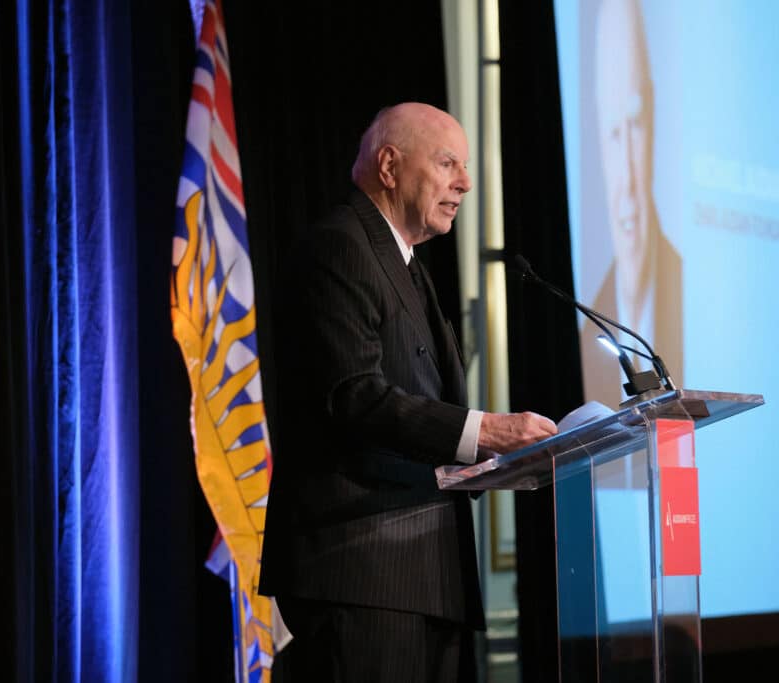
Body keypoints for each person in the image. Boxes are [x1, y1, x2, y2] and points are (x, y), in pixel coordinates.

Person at [259, 102, 557, 683]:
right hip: (363, 572)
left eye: (464, 167)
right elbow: (353, 396)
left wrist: (497, 457)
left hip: (422, 573)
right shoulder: (339, 247)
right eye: (448, 163)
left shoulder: (407, 263)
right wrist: (483, 432)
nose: (465, 183)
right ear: (389, 166)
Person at [580, 0, 683, 408]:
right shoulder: (586, 333)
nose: (627, 174)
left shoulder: (690, 288)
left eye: (636, 126)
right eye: (613, 135)